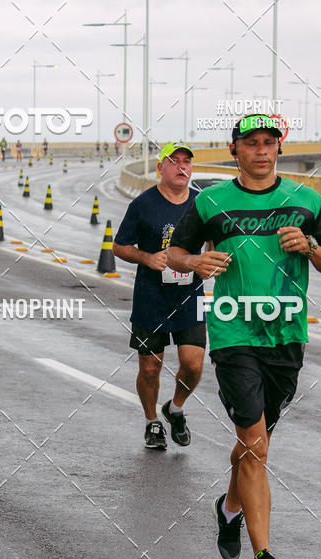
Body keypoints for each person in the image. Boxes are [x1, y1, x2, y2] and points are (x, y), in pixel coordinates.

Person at [168, 114, 321, 559]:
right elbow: (175, 255)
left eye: (269, 143)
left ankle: (229, 509)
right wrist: (197, 261)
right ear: (235, 152)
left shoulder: (306, 201)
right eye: (251, 143)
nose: (261, 150)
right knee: (254, 443)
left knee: (256, 446)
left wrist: (309, 247)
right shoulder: (211, 204)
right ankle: (264, 557)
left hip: (286, 337)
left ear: (278, 150)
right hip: (233, 334)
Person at [113, 142, 206, 451]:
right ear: (160, 168)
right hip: (151, 297)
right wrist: (146, 258)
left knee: (193, 365)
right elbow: (119, 246)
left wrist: (211, 263)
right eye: (174, 161)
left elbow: (218, 241)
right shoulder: (143, 204)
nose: (182, 167)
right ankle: (152, 421)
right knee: (150, 367)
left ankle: (175, 408)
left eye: (187, 162)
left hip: (190, 296)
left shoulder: (202, 204)